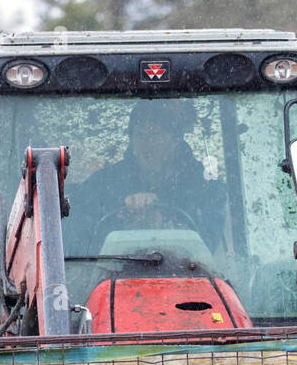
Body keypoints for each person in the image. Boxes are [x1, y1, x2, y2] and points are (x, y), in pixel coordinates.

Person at [70, 99, 226, 253]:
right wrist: (124, 217)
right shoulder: (102, 184)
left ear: (175, 141)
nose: (147, 144)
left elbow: (207, 243)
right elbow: (81, 242)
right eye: (140, 135)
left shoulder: (204, 186)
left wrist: (164, 219)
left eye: (155, 135)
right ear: (131, 141)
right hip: (113, 274)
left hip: (189, 275)